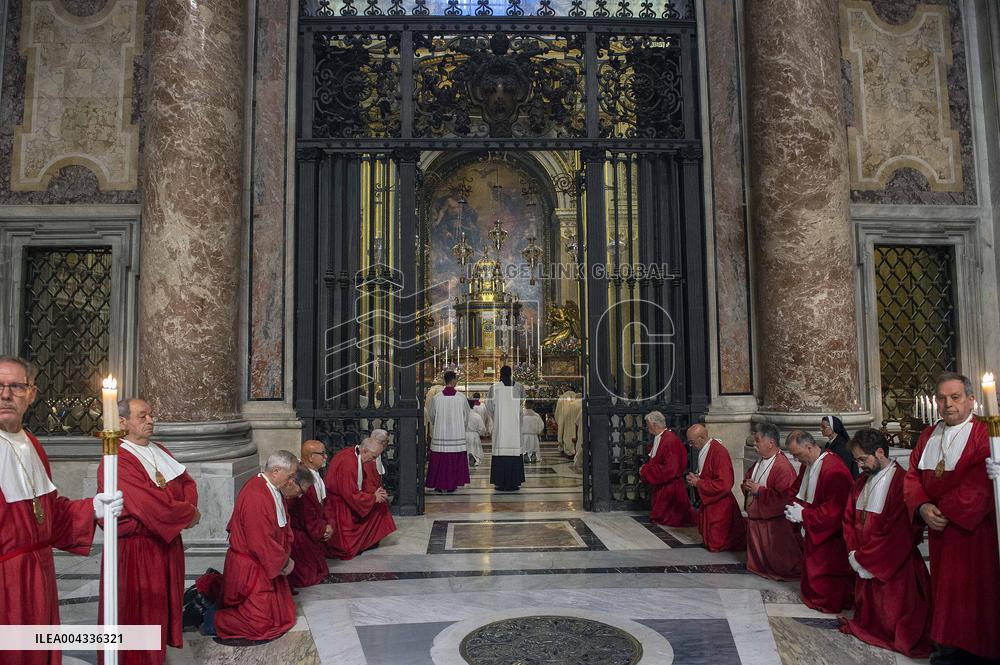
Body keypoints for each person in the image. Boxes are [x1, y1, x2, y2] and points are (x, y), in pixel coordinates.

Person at [0, 356, 123, 665]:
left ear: (31, 394)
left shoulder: (31, 443)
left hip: (37, 574)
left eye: (15, 386)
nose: (5, 395)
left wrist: (94, 507)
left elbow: (48, 513)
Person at [903, 372, 1000, 664]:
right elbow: (911, 477)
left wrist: (942, 510)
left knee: (975, 593)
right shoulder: (928, 435)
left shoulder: (986, 433)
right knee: (945, 594)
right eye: (942, 398)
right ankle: (947, 646)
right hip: (940, 532)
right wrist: (921, 507)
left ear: (971, 399)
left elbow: (981, 484)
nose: (948, 405)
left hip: (975, 534)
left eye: (955, 397)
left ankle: (980, 651)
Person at [99, 398, 199, 665]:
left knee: (160, 610)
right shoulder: (118, 459)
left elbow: (187, 484)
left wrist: (181, 508)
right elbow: (151, 506)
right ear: (122, 422)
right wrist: (187, 513)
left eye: (151, 415)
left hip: (165, 544)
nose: (151, 420)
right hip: (137, 551)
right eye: (142, 416)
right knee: (140, 612)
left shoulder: (160, 449)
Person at [839, 428, 932, 658]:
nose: (859, 466)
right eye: (857, 460)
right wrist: (853, 553)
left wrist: (866, 559)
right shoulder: (861, 481)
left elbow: (899, 533)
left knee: (893, 620)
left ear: (879, 452)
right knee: (870, 617)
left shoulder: (901, 482)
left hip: (893, 566)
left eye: (862, 459)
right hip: (863, 561)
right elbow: (848, 519)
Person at [211, 450, 297, 642]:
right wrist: (283, 562)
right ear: (275, 471)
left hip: (263, 562)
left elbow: (283, 526)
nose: (291, 481)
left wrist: (285, 554)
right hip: (252, 566)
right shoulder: (257, 495)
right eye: (290, 476)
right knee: (260, 624)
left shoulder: (271, 489)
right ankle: (209, 619)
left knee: (281, 615)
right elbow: (261, 541)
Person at [785, 430, 854, 613]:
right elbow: (797, 490)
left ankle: (827, 600)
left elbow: (835, 510)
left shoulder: (833, 469)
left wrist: (804, 516)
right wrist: (793, 508)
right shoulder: (807, 465)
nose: (795, 459)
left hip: (829, 535)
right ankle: (814, 597)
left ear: (809, 447)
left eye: (797, 454)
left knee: (828, 571)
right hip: (811, 529)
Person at [741, 423, 801, 580]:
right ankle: (760, 566)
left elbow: (785, 498)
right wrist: (747, 484)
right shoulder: (761, 460)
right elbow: (750, 477)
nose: (755, 444)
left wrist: (759, 491)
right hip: (758, 519)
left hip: (773, 523)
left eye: (758, 440)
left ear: (771, 443)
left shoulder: (782, 467)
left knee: (778, 561)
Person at [324, 437, 397, 558]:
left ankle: (368, 540)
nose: (373, 460)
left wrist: (375, 493)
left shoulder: (355, 455)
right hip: (338, 508)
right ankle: (362, 542)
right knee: (346, 548)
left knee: (380, 505)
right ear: (365, 451)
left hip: (348, 500)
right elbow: (351, 494)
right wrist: (373, 498)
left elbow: (358, 485)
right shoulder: (348, 462)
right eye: (373, 457)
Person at [684, 424, 745, 552]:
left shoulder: (719, 452)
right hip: (711, 503)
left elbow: (725, 484)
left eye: (692, 442)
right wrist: (696, 478)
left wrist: (698, 483)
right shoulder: (706, 449)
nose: (691, 445)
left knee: (718, 543)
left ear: (701, 438)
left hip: (720, 504)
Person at [287, 440, 332, 589]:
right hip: (301, 530)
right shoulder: (302, 476)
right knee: (307, 576)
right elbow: (306, 514)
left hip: (312, 527)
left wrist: (328, 524)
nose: (325, 457)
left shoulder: (314, 474)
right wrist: (323, 529)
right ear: (311, 457)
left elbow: (321, 505)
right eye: (322, 454)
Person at [638, 411, 693, 527]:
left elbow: (670, 469)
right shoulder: (661, 438)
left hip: (670, 487)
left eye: (648, 424)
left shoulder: (670, 440)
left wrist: (646, 471)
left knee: (672, 518)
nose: (647, 427)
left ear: (654, 425)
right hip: (662, 486)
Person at [426, 371, 471, 493]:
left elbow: (432, 415)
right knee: (453, 458)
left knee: (440, 459)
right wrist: (461, 427)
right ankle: (453, 484)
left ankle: (439, 485)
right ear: (453, 380)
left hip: (441, 433)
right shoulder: (461, 398)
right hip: (457, 433)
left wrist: (439, 425)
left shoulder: (437, 398)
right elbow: (466, 416)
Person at [488, 366, 525, 491]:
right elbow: (522, 404)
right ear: (511, 374)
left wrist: (498, 417)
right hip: (514, 427)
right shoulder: (519, 387)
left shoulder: (494, 388)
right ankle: (514, 481)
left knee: (501, 452)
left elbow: (489, 407)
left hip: (501, 428)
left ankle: (500, 481)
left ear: (500, 374)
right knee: (514, 452)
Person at [821, 415, 858, 480]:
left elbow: (845, 467)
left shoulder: (843, 445)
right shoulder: (829, 443)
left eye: (824, 427)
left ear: (833, 428)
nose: (821, 429)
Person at [555, 389, 576, 457]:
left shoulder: (561, 398)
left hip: (563, 417)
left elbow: (557, 411)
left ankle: (564, 447)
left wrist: (559, 420)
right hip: (573, 418)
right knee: (571, 432)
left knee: (564, 432)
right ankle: (572, 450)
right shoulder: (576, 397)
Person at [466, 400, 485, 466]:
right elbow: (482, 428)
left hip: (464, 435)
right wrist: (479, 433)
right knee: (474, 450)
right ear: (473, 405)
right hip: (474, 435)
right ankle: (473, 459)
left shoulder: (462, 416)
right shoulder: (477, 416)